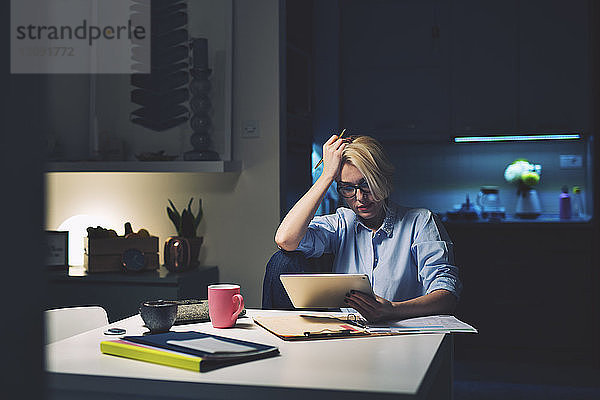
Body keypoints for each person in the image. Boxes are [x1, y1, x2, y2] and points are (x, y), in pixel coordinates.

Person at [272, 134, 462, 322]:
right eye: (347, 188)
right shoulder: (341, 223)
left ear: (383, 180)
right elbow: (286, 240)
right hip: (348, 335)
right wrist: (327, 176)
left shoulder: (420, 222)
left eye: (367, 185)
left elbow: (447, 296)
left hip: (402, 334)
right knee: (280, 260)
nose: (360, 198)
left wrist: (393, 310)